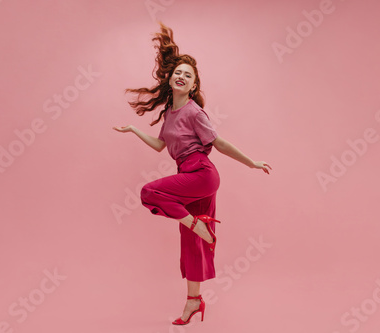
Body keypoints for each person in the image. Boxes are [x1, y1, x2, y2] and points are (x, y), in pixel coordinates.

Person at [113, 22, 272, 325]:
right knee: (191, 244)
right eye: (178, 72)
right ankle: (193, 303)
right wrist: (134, 129)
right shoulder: (172, 113)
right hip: (189, 175)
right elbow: (161, 144)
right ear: (171, 79)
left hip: (201, 173)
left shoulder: (195, 112)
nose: (182, 76)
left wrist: (251, 162)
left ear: (194, 85)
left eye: (188, 75)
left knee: (150, 193)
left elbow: (220, 143)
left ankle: (196, 224)